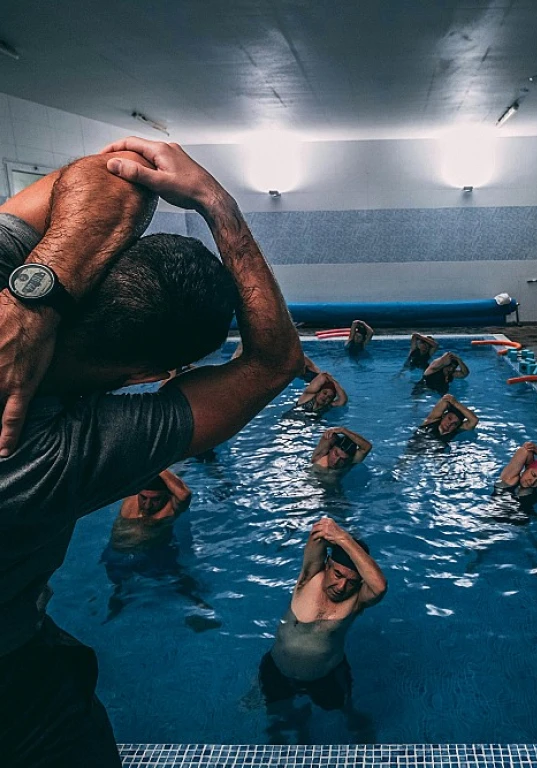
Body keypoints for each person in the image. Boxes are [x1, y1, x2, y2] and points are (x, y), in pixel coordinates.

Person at [0, 137, 303, 767]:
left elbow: (104, 175)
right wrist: (218, 206)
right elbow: (275, 363)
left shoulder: (14, 286)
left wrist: (33, 300)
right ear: (147, 375)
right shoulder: (51, 459)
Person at [243, 517, 386, 743]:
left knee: (343, 709)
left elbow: (379, 586)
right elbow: (320, 529)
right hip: (278, 669)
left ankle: (352, 717)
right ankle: (292, 726)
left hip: (327, 676)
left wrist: (344, 538)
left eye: (351, 581)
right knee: (276, 717)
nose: (341, 587)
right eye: (338, 575)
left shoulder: (357, 600)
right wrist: (336, 533)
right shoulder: (309, 577)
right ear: (328, 564)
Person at [101, 471, 219, 630]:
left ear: (167, 496)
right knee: (119, 585)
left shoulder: (170, 509)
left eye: (155, 499)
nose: (148, 505)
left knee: (178, 580)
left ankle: (197, 606)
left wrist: (158, 467)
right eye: (144, 498)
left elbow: (184, 494)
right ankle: (119, 601)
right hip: (115, 555)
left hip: (151, 555)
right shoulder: (131, 496)